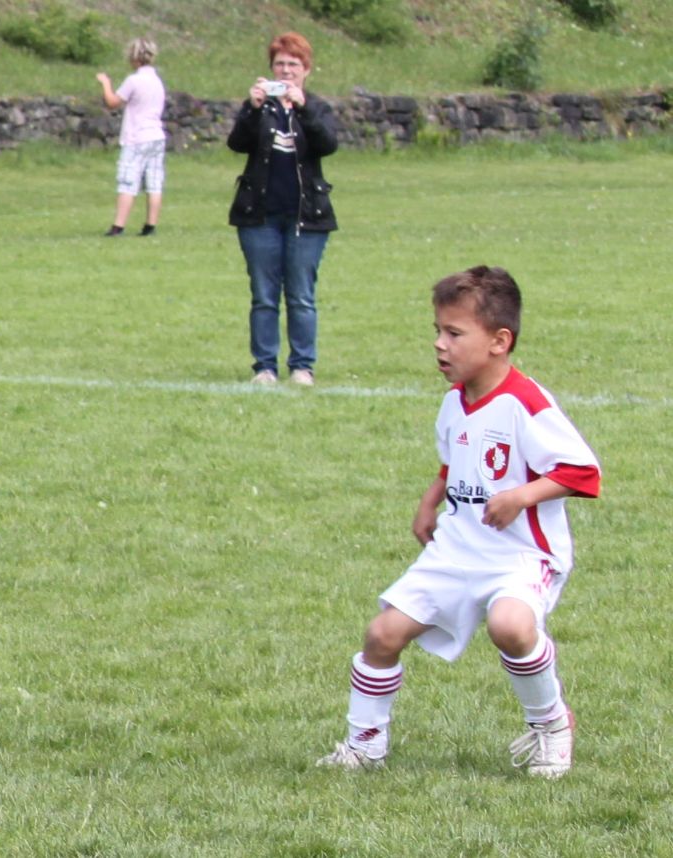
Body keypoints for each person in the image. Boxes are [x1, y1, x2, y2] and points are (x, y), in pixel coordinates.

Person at [317, 265, 601, 779]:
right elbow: (453, 464)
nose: (439, 345)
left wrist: (521, 495)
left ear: (499, 341)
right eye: (437, 331)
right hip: (456, 550)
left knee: (511, 627)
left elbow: (583, 471)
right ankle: (364, 745)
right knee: (382, 635)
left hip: (520, 555)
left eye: (454, 333)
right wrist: (430, 501)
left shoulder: (525, 403)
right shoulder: (454, 402)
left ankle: (552, 725)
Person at [227, 31, 338, 386]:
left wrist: (302, 109)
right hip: (259, 214)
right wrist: (252, 108)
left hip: (307, 216)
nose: (286, 71)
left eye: (293, 64)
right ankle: (265, 367)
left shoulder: (317, 107)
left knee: (301, 295)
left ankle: (302, 366)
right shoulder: (261, 108)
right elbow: (237, 143)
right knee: (264, 296)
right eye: (280, 64)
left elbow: (327, 144)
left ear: (306, 70)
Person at [95, 38, 166, 237]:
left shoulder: (134, 80)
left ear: (134, 58)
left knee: (128, 180)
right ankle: (150, 225)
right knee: (154, 182)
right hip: (156, 136)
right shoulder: (157, 81)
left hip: (137, 137)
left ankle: (118, 226)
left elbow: (112, 102)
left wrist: (105, 83)